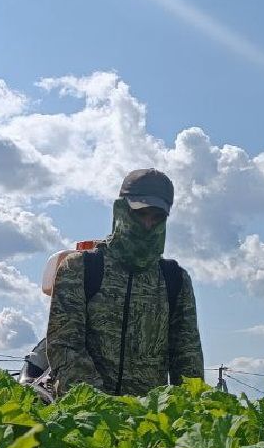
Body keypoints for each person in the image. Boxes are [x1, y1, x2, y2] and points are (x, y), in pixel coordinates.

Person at [45, 167, 203, 398]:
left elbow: (187, 359)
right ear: (121, 210)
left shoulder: (175, 279)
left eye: (157, 217)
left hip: (147, 422)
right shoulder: (79, 268)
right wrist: (102, 409)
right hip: (83, 418)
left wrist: (189, 414)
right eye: (140, 214)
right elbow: (65, 345)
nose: (148, 224)